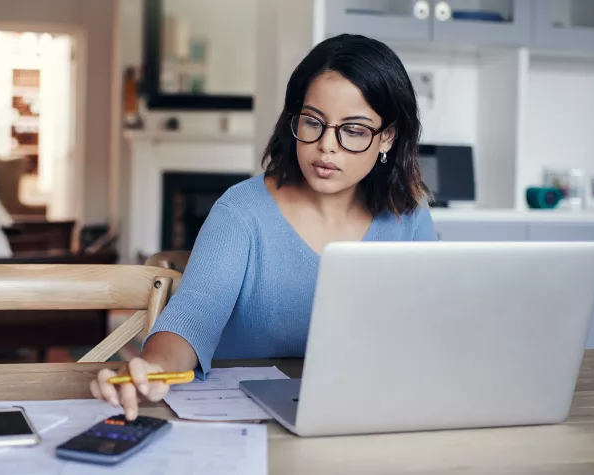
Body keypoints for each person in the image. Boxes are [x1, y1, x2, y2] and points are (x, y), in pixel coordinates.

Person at [90, 33, 437, 419]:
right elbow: (193, 316)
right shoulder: (241, 212)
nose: (327, 146)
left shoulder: (409, 214)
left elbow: (433, 328)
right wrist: (153, 368)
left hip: (367, 413)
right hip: (247, 421)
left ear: (387, 137)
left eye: (353, 130)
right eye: (313, 123)